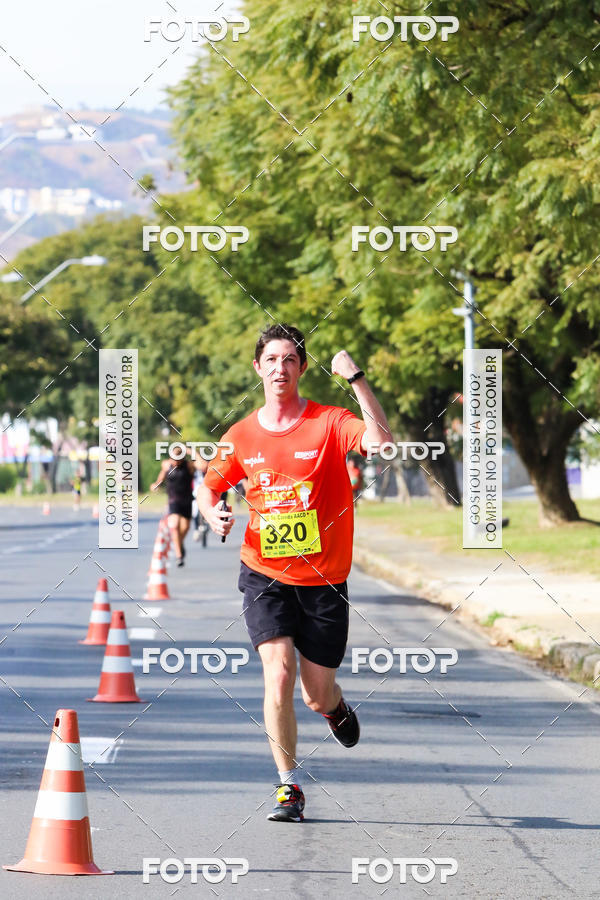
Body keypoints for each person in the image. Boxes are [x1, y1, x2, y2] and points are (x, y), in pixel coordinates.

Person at [198, 323, 392, 822]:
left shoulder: (330, 421)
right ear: (258, 368)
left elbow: (382, 443)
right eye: (271, 359)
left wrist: (357, 379)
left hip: (325, 579)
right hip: (265, 572)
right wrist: (211, 511)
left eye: (289, 359)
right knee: (277, 671)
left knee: (314, 692)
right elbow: (208, 485)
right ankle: (288, 786)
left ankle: (334, 707)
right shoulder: (241, 435)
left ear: (301, 368)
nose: (280, 368)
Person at [151, 449, 196, 566]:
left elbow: (203, 464)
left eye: (178, 458)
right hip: (173, 501)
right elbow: (160, 479)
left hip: (187, 501)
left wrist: (190, 450)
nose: (175, 461)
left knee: (185, 527)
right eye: (173, 458)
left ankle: (179, 544)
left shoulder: (189, 466)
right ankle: (179, 555)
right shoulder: (167, 466)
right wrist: (156, 485)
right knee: (174, 525)